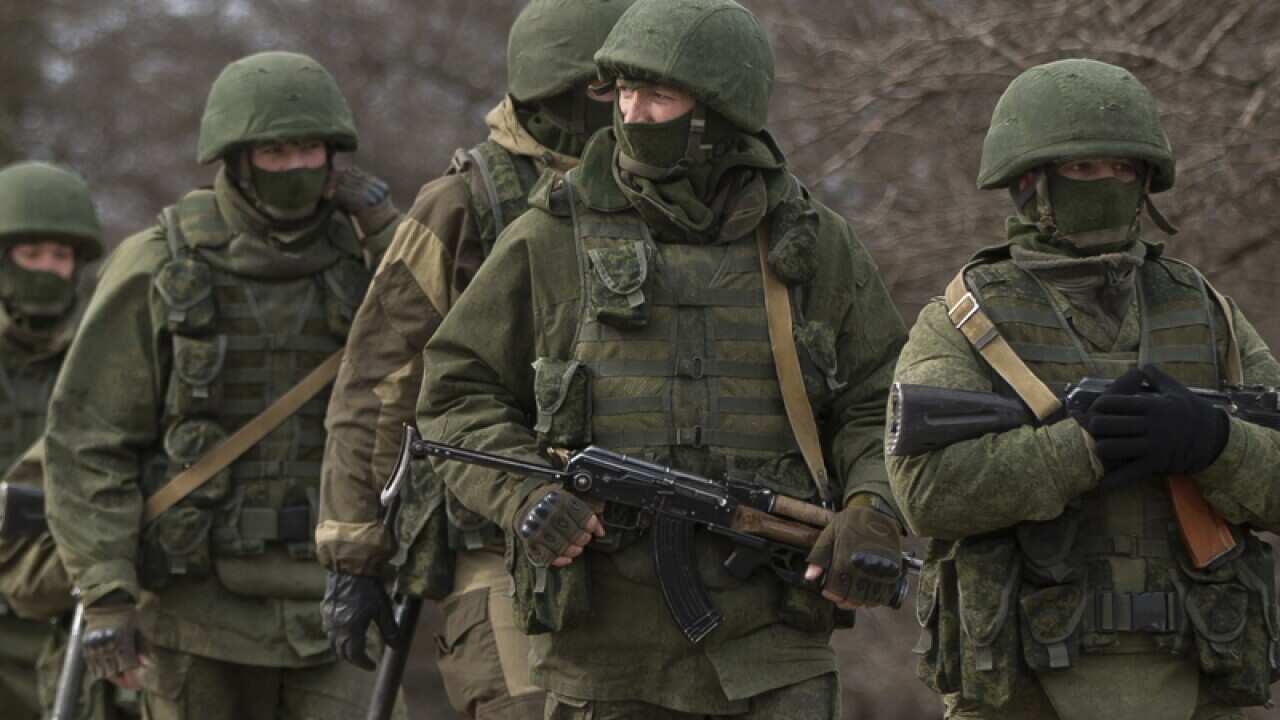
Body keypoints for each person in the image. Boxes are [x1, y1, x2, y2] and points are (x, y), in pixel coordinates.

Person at [417, 1, 909, 717]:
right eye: (622, 92)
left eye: (659, 94)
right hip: (603, 658)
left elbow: (881, 400)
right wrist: (523, 496)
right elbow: (455, 396)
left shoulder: (810, 245)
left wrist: (871, 508)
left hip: (771, 650)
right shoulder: (550, 235)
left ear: (719, 110)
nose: (633, 113)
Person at [889, 58, 1280, 720]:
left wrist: (1213, 442)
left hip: (1199, 685)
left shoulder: (1207, 312)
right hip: (1019, 694)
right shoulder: (966, 316)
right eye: (1082, 169)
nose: (1106, 184)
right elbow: (923, 493)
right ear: (1029, 183)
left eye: (1123, 169)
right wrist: (1083, 448)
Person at [42, 51, 404, 720]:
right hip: (195, 612)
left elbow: (453, 349)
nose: (297, 167)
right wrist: (107, 595)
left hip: (344, 604)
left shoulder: (374, 263)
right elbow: (89, 441)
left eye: (311, 149)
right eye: (277, 151)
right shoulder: (160, 263)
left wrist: (388, 232)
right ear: (236, 158)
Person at [316, 1, 637, 717]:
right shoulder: (463, 203)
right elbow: (377, 382)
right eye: (606, 91)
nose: (628, 109)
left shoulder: (660, 195)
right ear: (553, 90)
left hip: (639, 536)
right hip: (496, 534)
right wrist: (353, 550)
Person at [0, 161, 125, 719]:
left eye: (61, 256)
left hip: (61, 592)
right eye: (32, 256)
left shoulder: (101, 353)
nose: (48, 270)